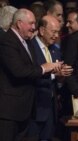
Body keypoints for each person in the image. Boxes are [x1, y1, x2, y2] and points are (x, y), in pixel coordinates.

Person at [0, 8, 62, 141]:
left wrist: (52, 72)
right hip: (10, 110)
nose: (34, 27)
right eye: (31, 23)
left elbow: (31, 70)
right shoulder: (7, 41)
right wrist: (43, 69)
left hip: (26, 109)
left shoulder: (27, 42)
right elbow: (18, 71)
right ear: (19, 23)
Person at [27, 15, 73, 141]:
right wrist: (54, 74)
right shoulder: (29, 48)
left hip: (51, 109)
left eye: (58, 32)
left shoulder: (55, 50)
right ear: (42, 30)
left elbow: (57, 82)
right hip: (34, 108)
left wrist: (61, 78)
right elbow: (29, 75)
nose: (57, 35)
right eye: (53, 32)